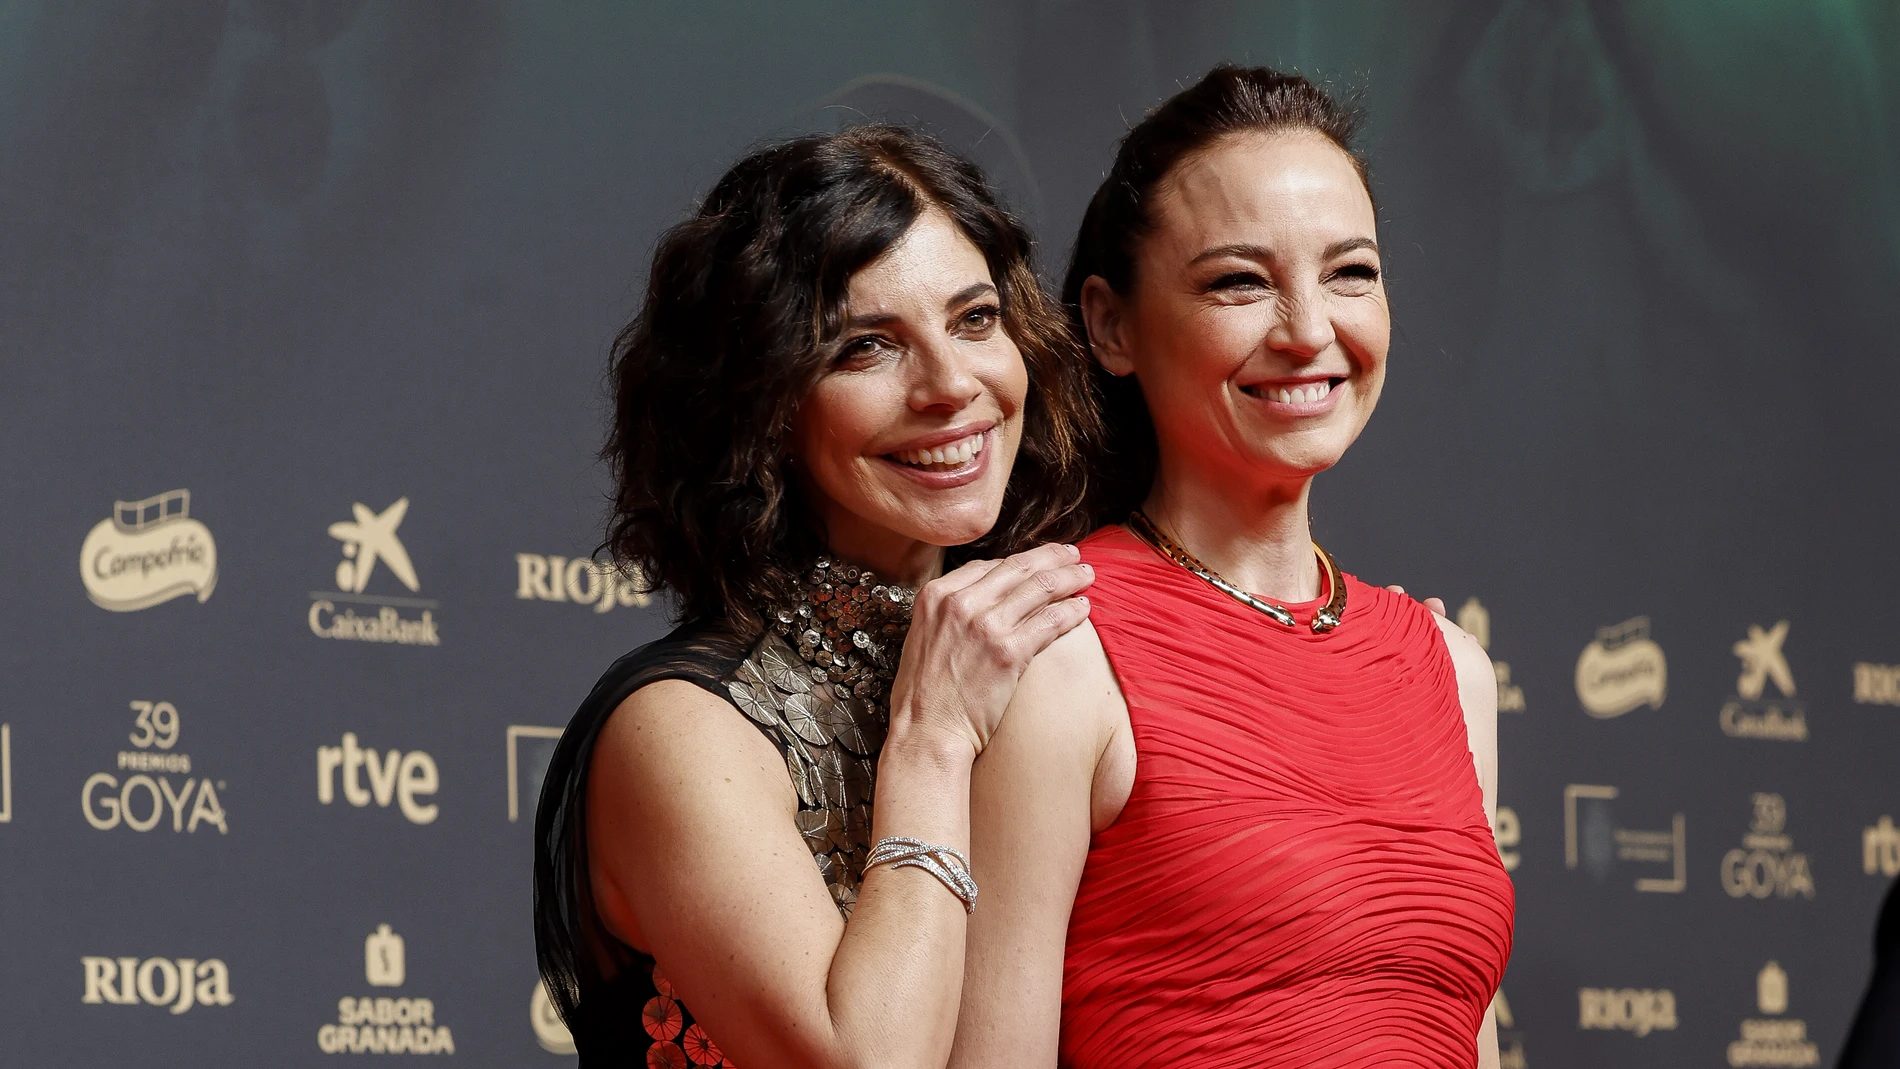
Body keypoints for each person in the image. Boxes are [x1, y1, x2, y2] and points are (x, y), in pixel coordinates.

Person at [950, 67, 1515, 1069]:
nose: (1308, 331)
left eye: (1350, 273)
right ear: (1110, 325)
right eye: (1238, 282)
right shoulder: (1055, 645)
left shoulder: (1450, 669)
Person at [533, 124, 1101, 1068]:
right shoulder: (678, 729)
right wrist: (931, 737)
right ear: (760, 404)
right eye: (865, 348)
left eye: (974, 319)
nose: (954, 385)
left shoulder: (1049, 661)